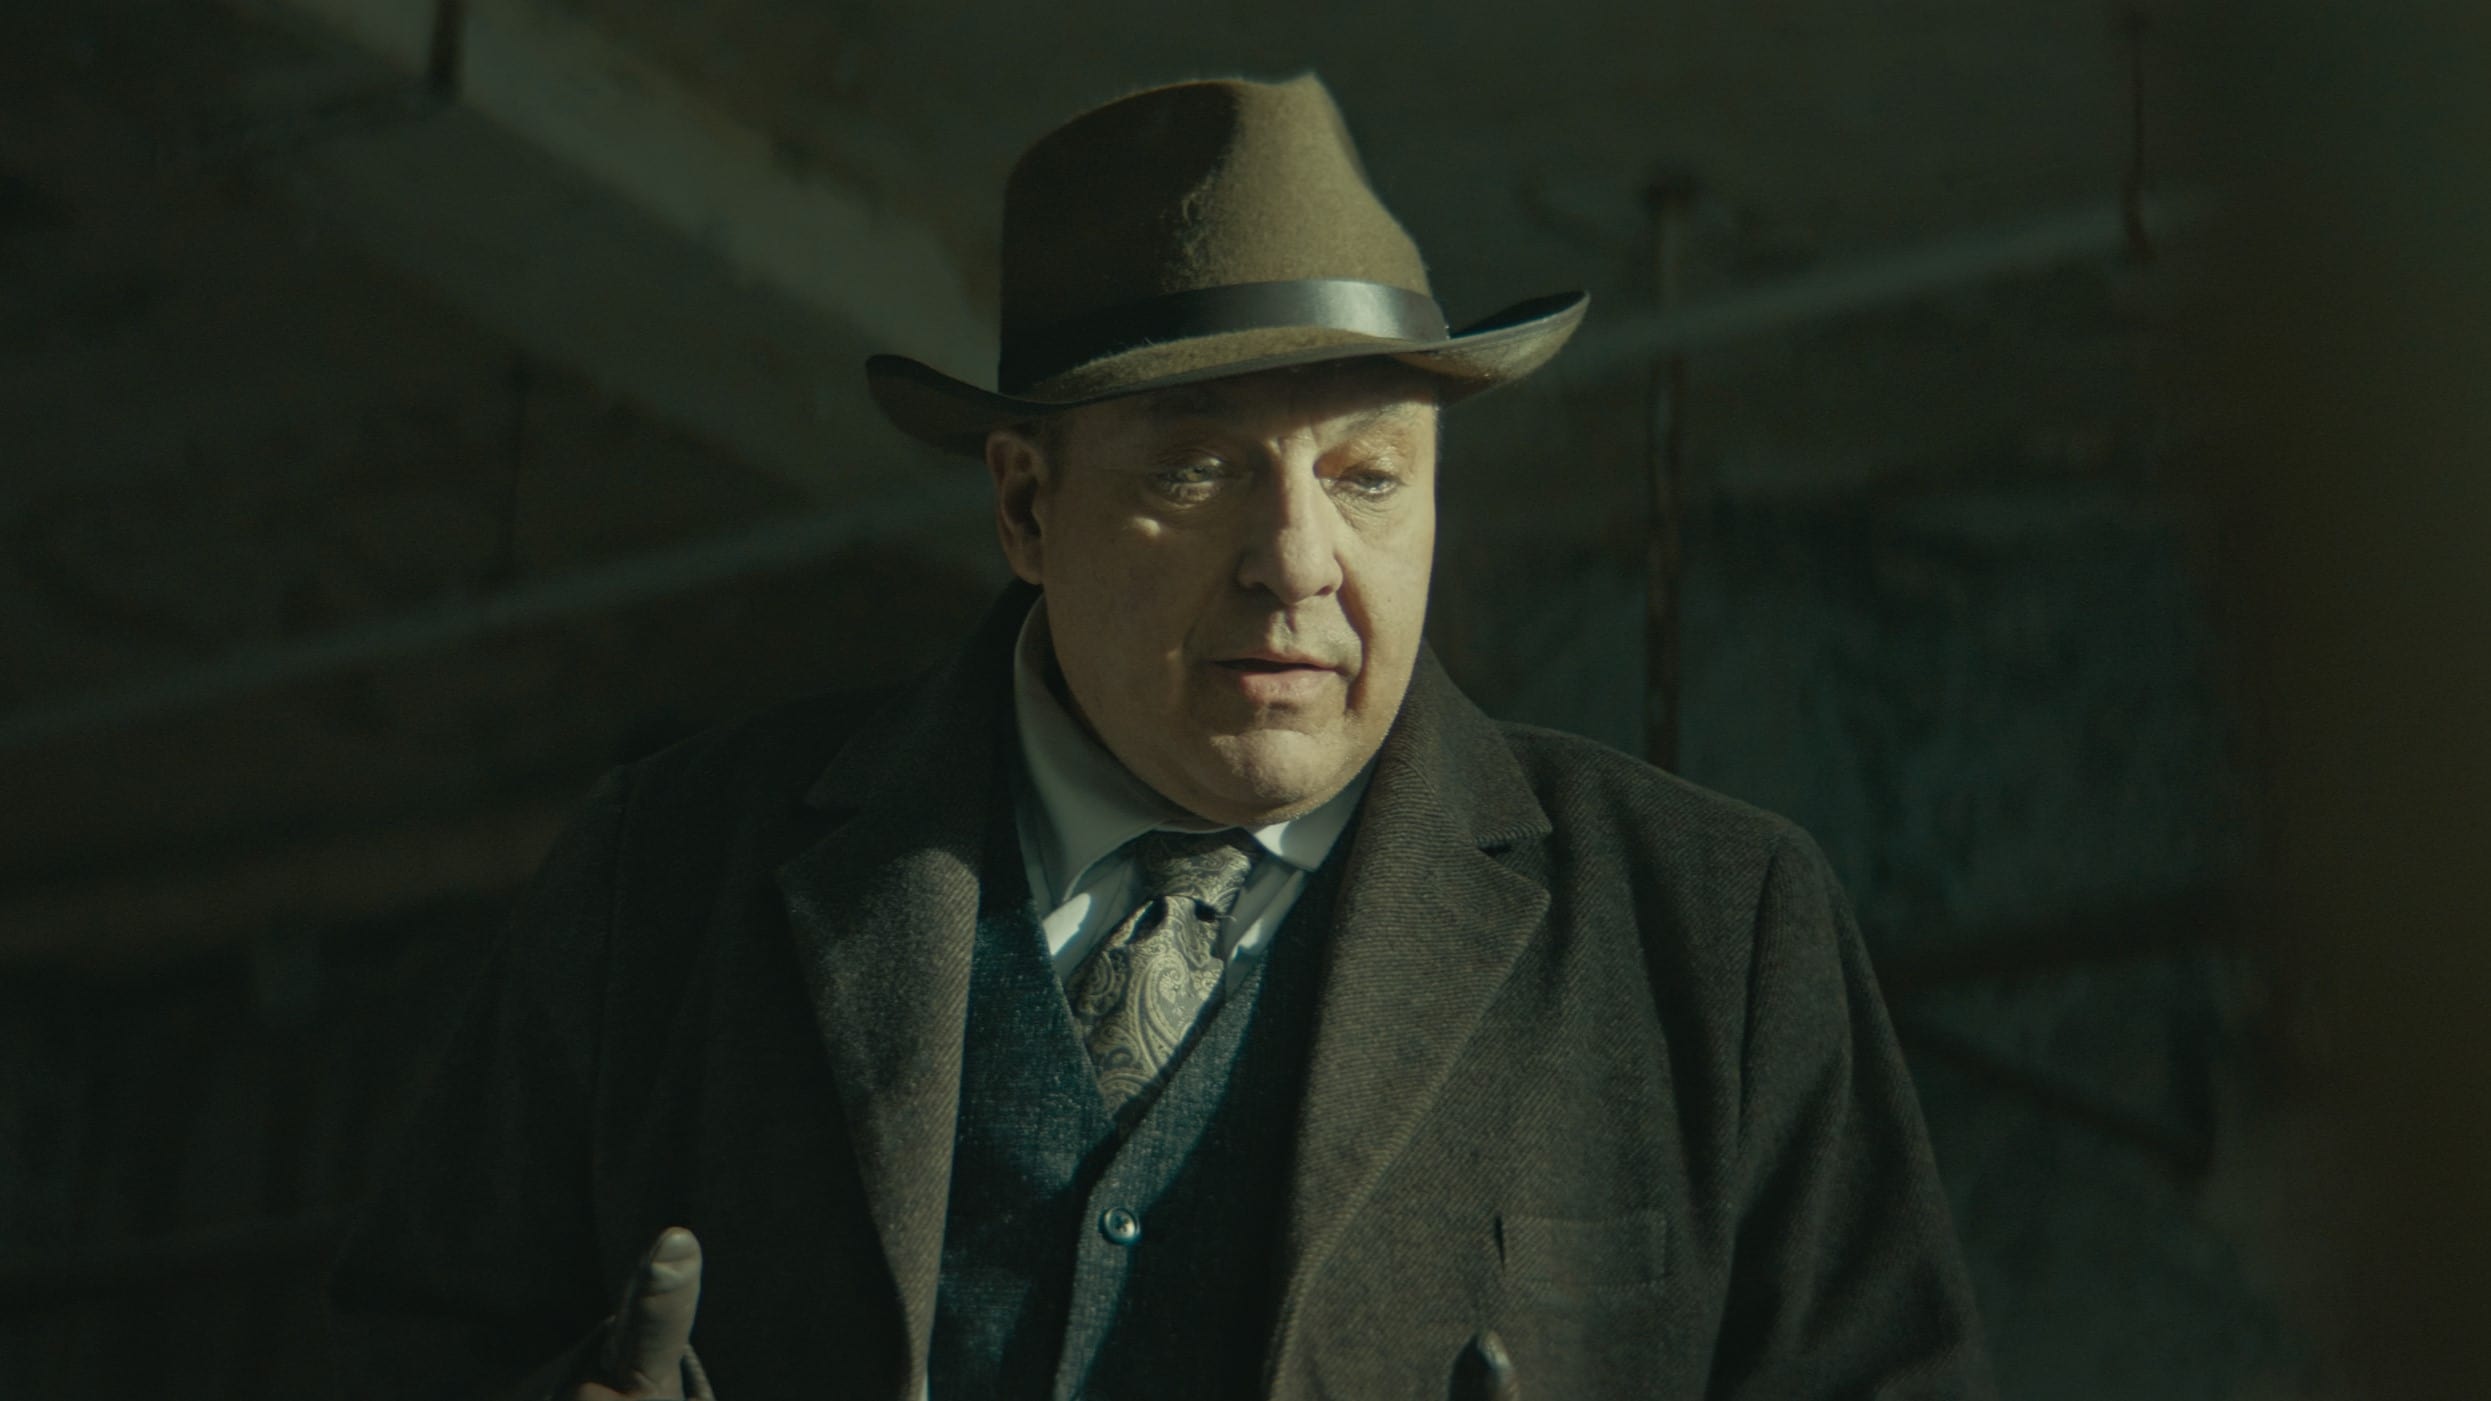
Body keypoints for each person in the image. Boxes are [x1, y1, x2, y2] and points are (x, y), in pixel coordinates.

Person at [327, 73, 1994, 1400]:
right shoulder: (665, 883)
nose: (1297, 559)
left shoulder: (1715, 934)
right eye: (1199, 470)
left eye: (1368, 475)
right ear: (1025, 503)